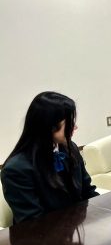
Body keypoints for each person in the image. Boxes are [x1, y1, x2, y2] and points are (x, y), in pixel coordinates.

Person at [1, 92, 99, 224]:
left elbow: (88, 192)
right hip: (40, 239)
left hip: (73, 231)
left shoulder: (70, 149)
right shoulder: (16, 170)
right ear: (51, 127)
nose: (75, 127)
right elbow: (32, 222)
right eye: (69, 123)